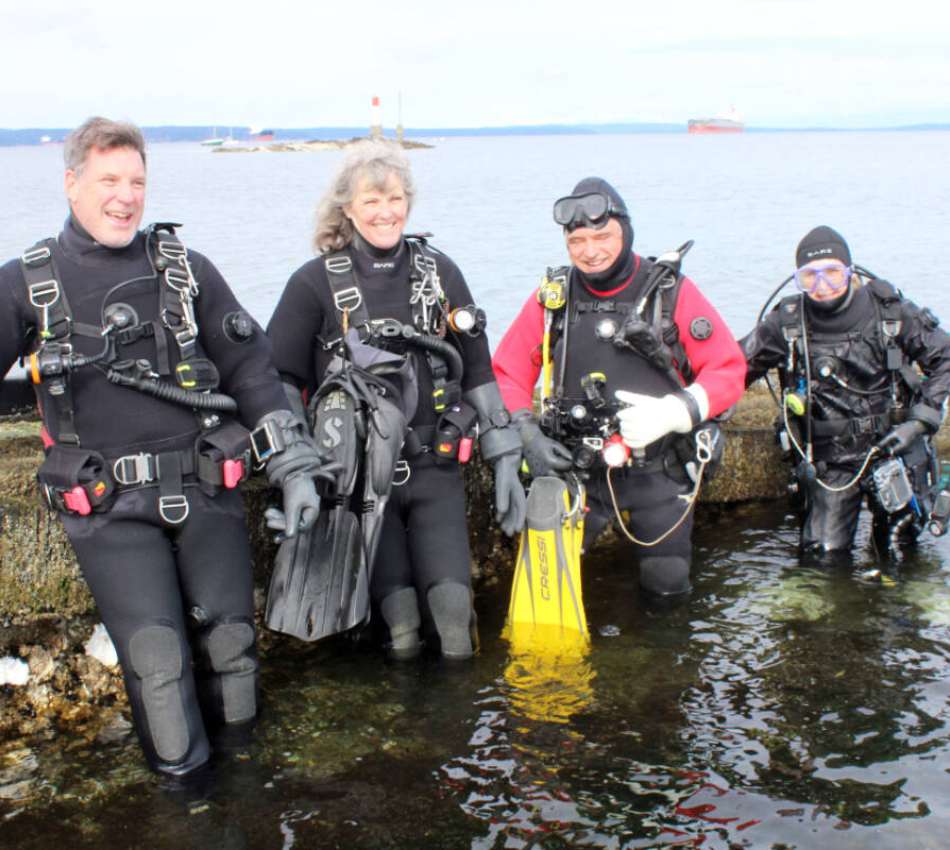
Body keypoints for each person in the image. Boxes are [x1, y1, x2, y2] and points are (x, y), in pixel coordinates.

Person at [0, 117, 323, 778]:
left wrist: (293, 468)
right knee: (156, 660)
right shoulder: (27, 283)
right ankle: (191, 806)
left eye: (137, 181)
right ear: (71, 184)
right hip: (108, 508)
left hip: (204, 487)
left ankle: (250, 789)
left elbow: (253, 372)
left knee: (233, 645)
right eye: (108, 180)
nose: (125, 196)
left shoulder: (186, 270)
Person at [266, 139, 525, 659]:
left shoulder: (440, 273)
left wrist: (505, 458)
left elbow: (476, 369)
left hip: (435, 470)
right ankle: (408, 739)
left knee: (455, 623)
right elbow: (276, 380)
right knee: (400, 629)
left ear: (408, 201)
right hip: (361, 482)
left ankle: (452, 735)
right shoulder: (313, 284)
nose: (386, 213)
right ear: (347, 208)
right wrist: (297, 471)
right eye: (371, 201)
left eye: (395, 199)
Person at [492, 177, 746, 603]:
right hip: (575, 468)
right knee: (546, 590)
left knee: (667, 587)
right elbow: (506, 371)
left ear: (626, 231)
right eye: (577, 240)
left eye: (603, 236)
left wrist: (674, 412)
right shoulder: (552, 299)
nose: (590, 251)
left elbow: (728, 368)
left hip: (657, 469)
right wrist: (525, 430)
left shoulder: (669, 291)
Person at [741, 225, 950, 555]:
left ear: (849, 272)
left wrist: (919, 422)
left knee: (900, 550)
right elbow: (732, 368)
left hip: (894, 446)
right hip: (831, 460)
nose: (822, 286)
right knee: (822, 556)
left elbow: (945, 357)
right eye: (810, 276)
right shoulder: (787, 324)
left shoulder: (891, 312)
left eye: (832, 273)